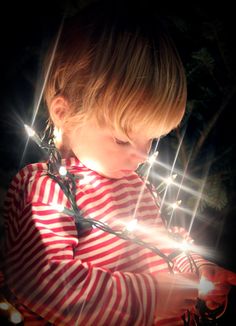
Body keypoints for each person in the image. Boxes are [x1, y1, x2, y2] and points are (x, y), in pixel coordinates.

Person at [2, 1, 236, 325]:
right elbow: (44, 281)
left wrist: (197, 274)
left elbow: (163, 246)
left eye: (151, 139)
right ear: (64, 113)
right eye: (122, 140)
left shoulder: (137, 186)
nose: (141, 156)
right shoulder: (48, 189)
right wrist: (150, 298)